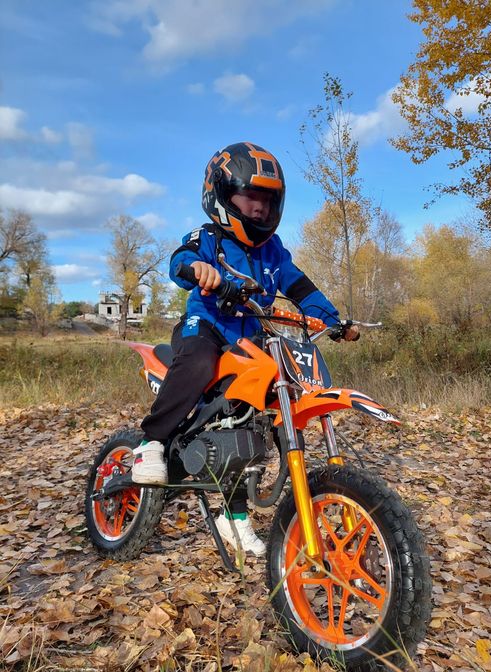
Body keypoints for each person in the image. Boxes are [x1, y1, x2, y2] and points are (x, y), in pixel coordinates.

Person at [132, 142, 359, 556]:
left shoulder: (274, 250)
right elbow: (180, 260)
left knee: (250, 418)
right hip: (206, 328)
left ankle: (234, 515)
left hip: (249, 340)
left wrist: (333, 319)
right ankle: (151, 442)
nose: (259, 207)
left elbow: (300, 287)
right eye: (250, 196)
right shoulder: (209, 238)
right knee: (199, 361)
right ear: (220, 196)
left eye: (267, 200)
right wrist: (197, 268)